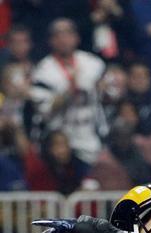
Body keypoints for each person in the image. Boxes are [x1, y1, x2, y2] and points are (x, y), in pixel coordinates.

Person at [29, 18, 106, 165]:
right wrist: (70, 90)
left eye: (68, 33)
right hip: (60, 141)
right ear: (51, 40)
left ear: (76, 38)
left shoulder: (93, 64)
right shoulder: (43, 71)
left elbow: (107, 96)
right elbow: (44, 110)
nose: (63, 39)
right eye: (58, 35)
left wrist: (104, 89)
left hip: (91, 135)